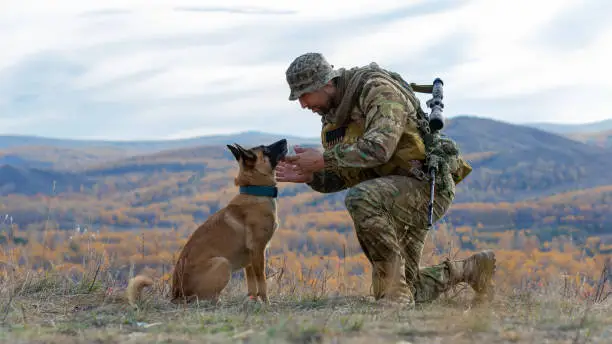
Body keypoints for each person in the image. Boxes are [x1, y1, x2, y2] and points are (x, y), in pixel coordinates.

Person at [275, 52, 496, 308]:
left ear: (326, 83)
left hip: (423, 186)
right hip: (390, 194)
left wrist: (325, 159)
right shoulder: (335, 116)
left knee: (361, 199)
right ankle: (472, 269)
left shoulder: (376, 90)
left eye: (305, 95)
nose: (303, 104)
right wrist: (312, 176)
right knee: (414, 288)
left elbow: (380, 149)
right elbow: (349, 173)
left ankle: (396, 295)